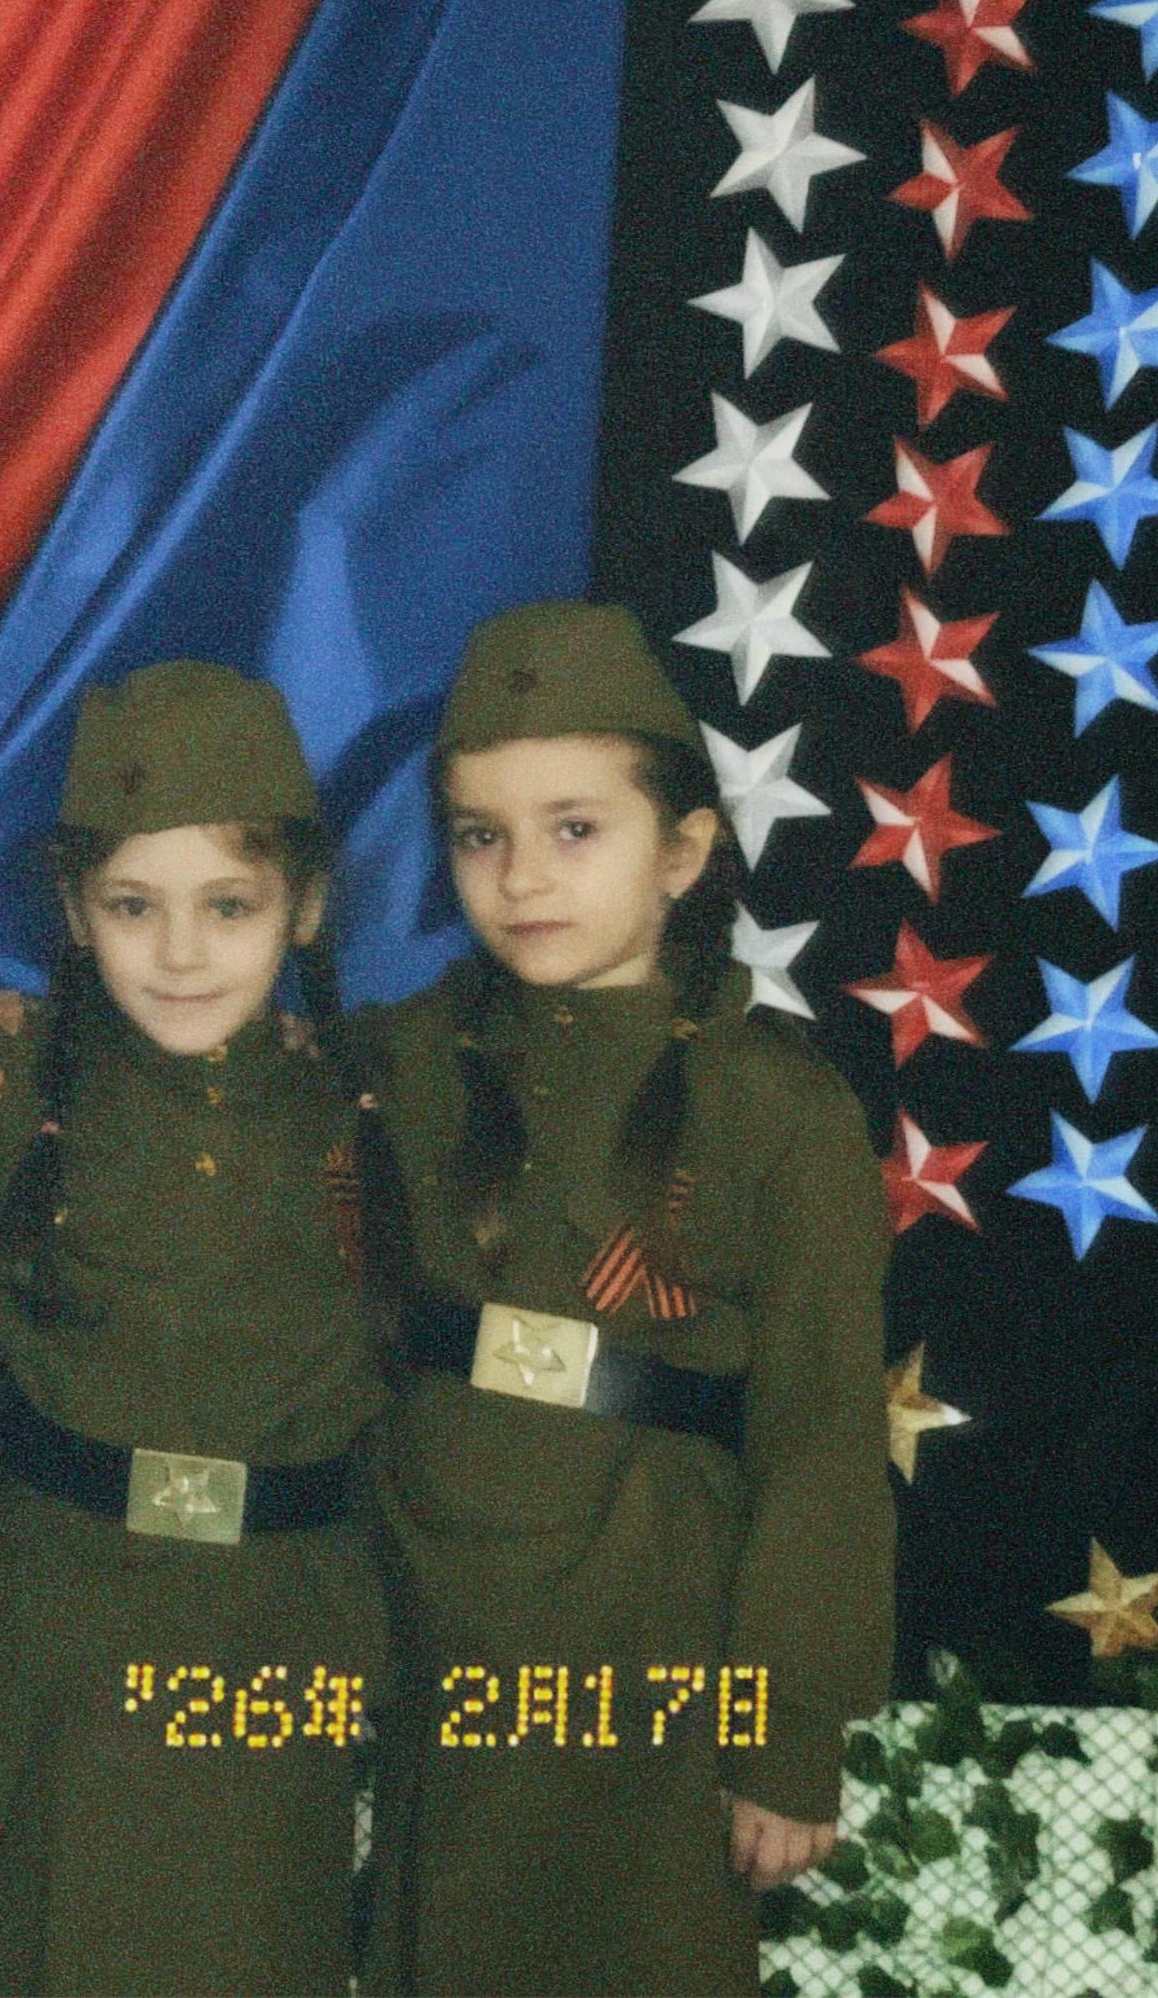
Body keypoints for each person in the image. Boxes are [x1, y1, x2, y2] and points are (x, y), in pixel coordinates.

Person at [359, 602, 888, 1994]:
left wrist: (785, 1733)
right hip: (437, 1617)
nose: (521, 874)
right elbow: (197, 1068)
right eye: (478, 834)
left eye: (574, 827)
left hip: (653, 1624)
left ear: (685, 849)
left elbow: (820, 1437)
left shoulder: (776, 1102)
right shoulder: (396, 1064)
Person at [0, 661, 389, 1996]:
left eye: (227, 904)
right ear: (73, 911)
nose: (180, 953)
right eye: (131, 905)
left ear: (304, 903)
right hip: (42, 1634)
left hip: (277, 1633)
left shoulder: (370, 1111)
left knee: (247, 1950)